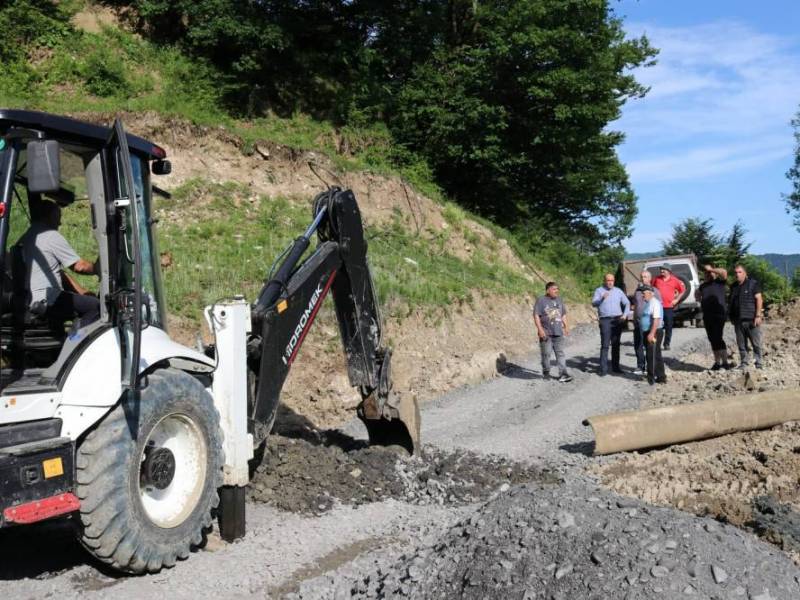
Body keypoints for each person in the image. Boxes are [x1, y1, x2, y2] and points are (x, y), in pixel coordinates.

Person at [18, 200, 100, 328]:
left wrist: (82, 291)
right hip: (48, 298)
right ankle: (77, 341)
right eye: (57, 218)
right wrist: (99, 269)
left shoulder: (27, 236)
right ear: (48, 216)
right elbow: (80, 266)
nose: (60, 223)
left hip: (30, 298)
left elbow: (58, 273)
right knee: (97, 306)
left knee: (84, 301)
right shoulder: (50, 235)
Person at [591, 273, 630, 376]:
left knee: (616, 344)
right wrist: (601, 298)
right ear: (604, 281)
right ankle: (603, 369)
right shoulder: (599, 290)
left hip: (617, 319)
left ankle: (616, 367)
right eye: (608, 280)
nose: (610, 282)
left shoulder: (618, 291)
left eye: (612, 280)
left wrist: (625, 315)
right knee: (605, 344)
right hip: (605, 320)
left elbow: (627, 303)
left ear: (614, 281)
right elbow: (594, 303)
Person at [533, 281, 572, 383]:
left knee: (560, 353)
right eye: (554, 289)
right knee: (546, 354)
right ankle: (546, 372)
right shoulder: (541, 300)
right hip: (546, 332)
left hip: (558, 331)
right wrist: (540, 329)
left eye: (557, 289)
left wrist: (566, 326)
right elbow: (536, 315)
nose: (556, 291)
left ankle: (563, 373)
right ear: (548, 290)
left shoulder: (559, 300)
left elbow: (563, 314)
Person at [728, 264, 763, 370]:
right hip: (738, 320)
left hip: (752, 319)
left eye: (739, 272)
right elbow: (731, 302)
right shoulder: (733, 286)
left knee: (756, 343)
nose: (737, 274)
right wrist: (732, 317)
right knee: (741, 344)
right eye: (735, 272)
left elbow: (759, 299)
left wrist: (758, 315)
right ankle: (744, 363)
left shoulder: (753, 284)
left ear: (745, 273)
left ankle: (759, 363)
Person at [696, 264, 731, 370]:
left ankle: (724, 362)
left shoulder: (720, 282)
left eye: (711, 272)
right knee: (712, 339)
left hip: (719, 314)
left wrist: (711, 269)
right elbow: (698, 294)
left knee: (718, 337)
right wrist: (697, 296)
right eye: (707, 272)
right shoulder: (703, 286)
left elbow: (724, 272)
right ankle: (717, 362)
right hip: (707, 315)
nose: (709, 273)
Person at [631, 270, 662, 376]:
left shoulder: (655, 291)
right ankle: (640, 366)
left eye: (645, 277)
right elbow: (636, 306)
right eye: (641, 277)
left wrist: (656, 325)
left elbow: (659, 308)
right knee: (638, 345)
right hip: (638, 322)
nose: (642, 279)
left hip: (649, 324)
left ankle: (651, 369)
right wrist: (634, 319)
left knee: (650, 348)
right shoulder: (638, 291)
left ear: (650, 278)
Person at [653, 263, 685, 351]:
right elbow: (651, 289)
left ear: (668, 271)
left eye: (663, 269)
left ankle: (666, 344)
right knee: (656, 325)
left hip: (668, 307)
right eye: (661, 269)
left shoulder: (674, 280)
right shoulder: (656, 279)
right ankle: (655, 342)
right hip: (658, 307)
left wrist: (676, 300)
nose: (661, 271)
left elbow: (682, 290)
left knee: (668, 326)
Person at [639, 285, 666, 384]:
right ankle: (661, 377)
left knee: (651, 355)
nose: (642, 295)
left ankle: (651, 378)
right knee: (656, 354)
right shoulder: (648, 303)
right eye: (642, 293)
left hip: (654, 332)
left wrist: (651, 333)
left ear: (651, 293)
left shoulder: (655, 303)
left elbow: (656, 320)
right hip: (650, 331)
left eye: (644, 293)